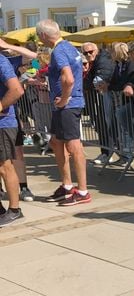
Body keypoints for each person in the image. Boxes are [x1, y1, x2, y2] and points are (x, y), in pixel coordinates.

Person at [36, 20, 90, 206]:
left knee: (74, 146)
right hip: (66, 104)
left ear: (43, 36)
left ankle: (82, 190)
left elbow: (68, 78)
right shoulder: (68, 46)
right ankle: (67, 185)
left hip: (68, 105)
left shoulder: (59, 51)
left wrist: (65, 98)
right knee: (56, 141)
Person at [0, 44, 26, 227]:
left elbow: (17, 90)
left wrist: (0, 106)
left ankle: (15, 209)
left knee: (5, 166)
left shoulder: (1, 61)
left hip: (3, 124)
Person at [82, 42, 114, 165]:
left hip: (105, 97)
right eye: (86, 53)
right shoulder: (94, 62)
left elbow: (99, 80)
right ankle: (106, 152)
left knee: (107, 125)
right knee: (101, 125)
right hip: (97, 97)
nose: (89, 55)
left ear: (96, 50)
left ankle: (109, 153)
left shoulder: (103, 60)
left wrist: (87, 85)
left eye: (91, 52)